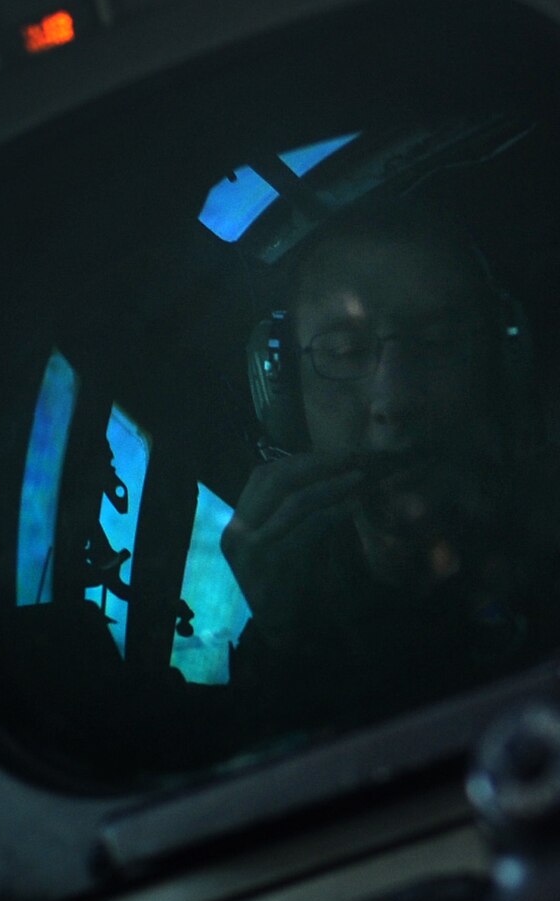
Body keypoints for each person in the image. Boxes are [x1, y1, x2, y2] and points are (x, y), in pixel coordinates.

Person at [219, 203, 535, 721]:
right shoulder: (290, 627)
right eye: (343, 351)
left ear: (501, 359)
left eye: (438, 340)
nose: (394, 400)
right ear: (284, 397)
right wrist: (285, 641)